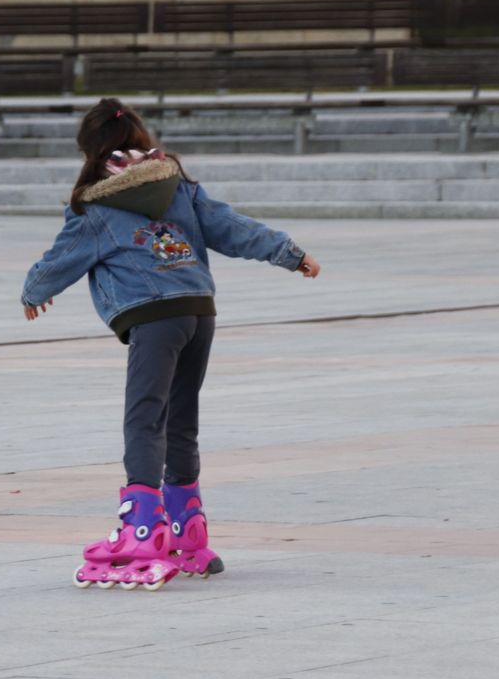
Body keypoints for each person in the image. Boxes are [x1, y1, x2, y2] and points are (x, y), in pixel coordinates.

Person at [20, 100, 321, 590]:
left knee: (144, 418)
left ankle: (142, 530)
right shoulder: (179, 184)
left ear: (91, 150)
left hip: (154, 315)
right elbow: (233, 227)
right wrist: (290, 253)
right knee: (181, 420)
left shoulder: (95, 205)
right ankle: (188, 532)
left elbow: (60, 261)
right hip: (199, 310)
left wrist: (33, 292)